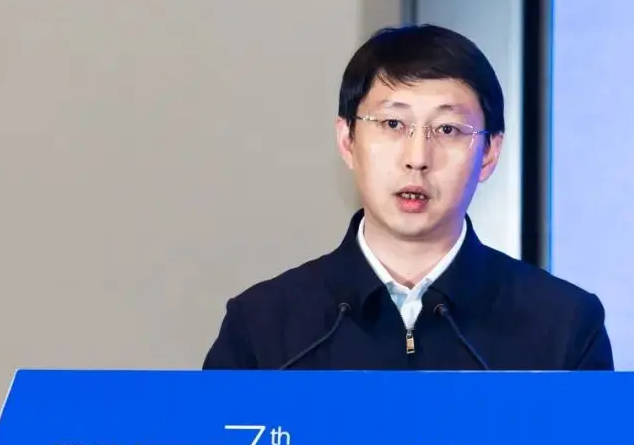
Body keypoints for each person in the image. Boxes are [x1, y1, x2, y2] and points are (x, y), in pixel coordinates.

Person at [202, 24, 613, 371]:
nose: (417, 158)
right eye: (393, 124)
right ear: (347, 139)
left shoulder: (564, 325)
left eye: (448, 130)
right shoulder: (262, 326)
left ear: (489, 153)